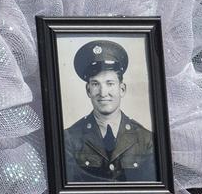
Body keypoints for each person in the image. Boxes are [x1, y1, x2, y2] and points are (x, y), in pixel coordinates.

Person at [63, 40, 157, 183]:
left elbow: (151, 191)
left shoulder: (146, 139)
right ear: (88, 90)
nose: (103, 93)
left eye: (110, 83)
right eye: (95, 84)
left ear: (122, 89)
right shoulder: (69, 138)